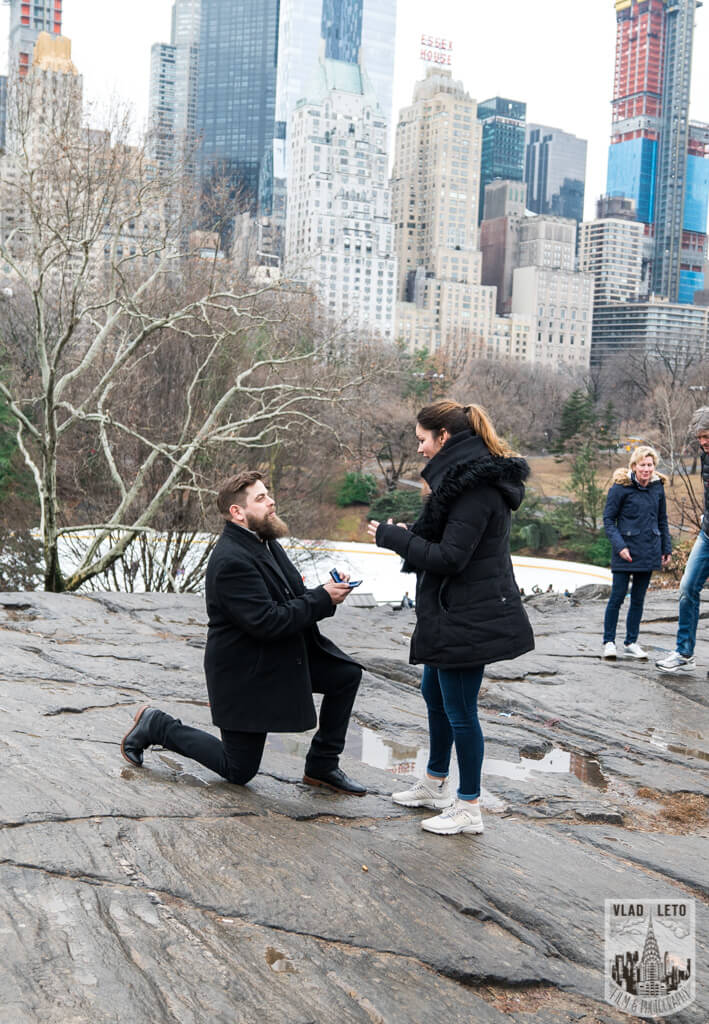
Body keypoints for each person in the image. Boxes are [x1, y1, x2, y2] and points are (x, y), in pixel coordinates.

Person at [120, 471, 366, 795]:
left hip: (275, 657)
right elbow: (267, 622)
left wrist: (328, 589)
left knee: (345, 675)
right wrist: (321, 599)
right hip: (245, 675)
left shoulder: (264, 541)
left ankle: (322, 764)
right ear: (237, 512)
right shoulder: (231, 560)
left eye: (268, 494)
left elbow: (292, 594)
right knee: (238, 770)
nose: (271, 501)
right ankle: (156, 725)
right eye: (261, 498)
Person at [367, 400, 534, 836]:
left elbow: (451, 557)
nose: (419, 448)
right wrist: (408, 535)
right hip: (451, 610)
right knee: (434, 694)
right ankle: (436, 781)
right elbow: (447, 541)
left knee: (460, 711)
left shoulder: (475, 487)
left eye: (422, 439)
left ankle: (469, 807)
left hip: (469, 615)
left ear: (444, 437)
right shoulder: (461, 480)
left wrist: (397, 540)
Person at [602, 445, 672, 661]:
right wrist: (620, 546)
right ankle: (609, 642)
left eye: (650, 465)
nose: (646, 469)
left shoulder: (657, 487)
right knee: (617, 597)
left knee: (639, 599)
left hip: (650, 548)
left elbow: (662, 519)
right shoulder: (619, 488)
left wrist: (666, 547)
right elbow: (608, 520)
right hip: (625, 550)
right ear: (634, 466)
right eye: (642, 465)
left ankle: (631, 642)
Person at [656, 408, 709, 673]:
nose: (703, 442)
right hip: (707, 534)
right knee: (688, 587)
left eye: (707, 436)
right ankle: (684, 652)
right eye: (700, 438)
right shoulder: (705, 456)